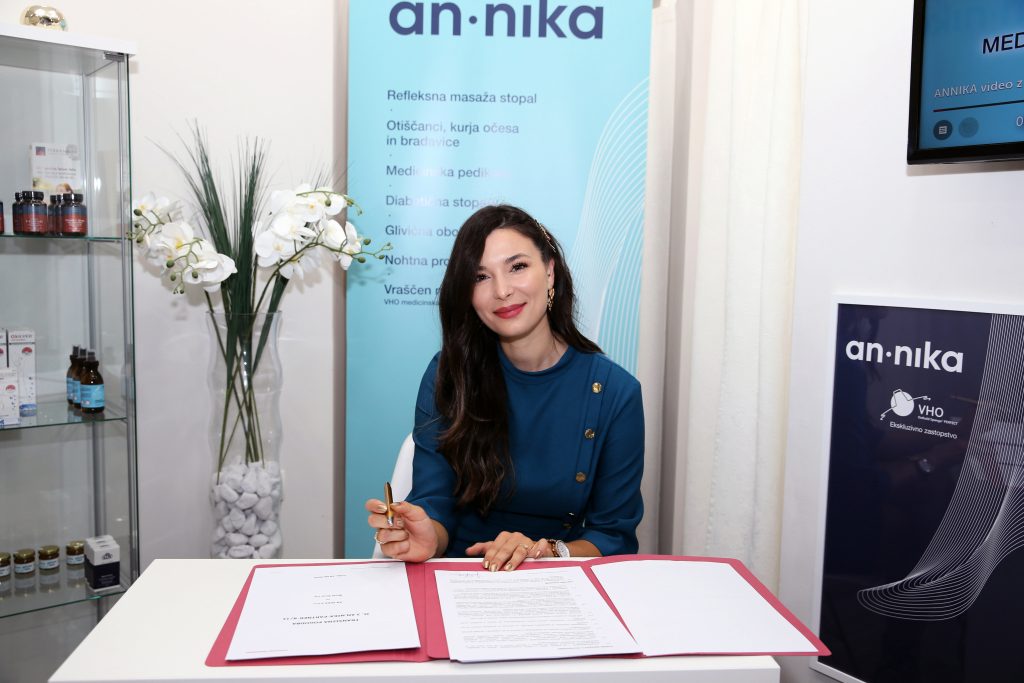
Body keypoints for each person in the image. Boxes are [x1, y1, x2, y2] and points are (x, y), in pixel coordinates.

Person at [365, 204, 644, 571]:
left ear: (550, 272)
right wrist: (427, 536)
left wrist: (546, 551)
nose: (502, 290)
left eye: (517, 267)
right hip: (460, 572)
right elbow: (435, 502)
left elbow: (613, 535)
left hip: (558, 577)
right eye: (481, 277)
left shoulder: (615, 393)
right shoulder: (449, 374)